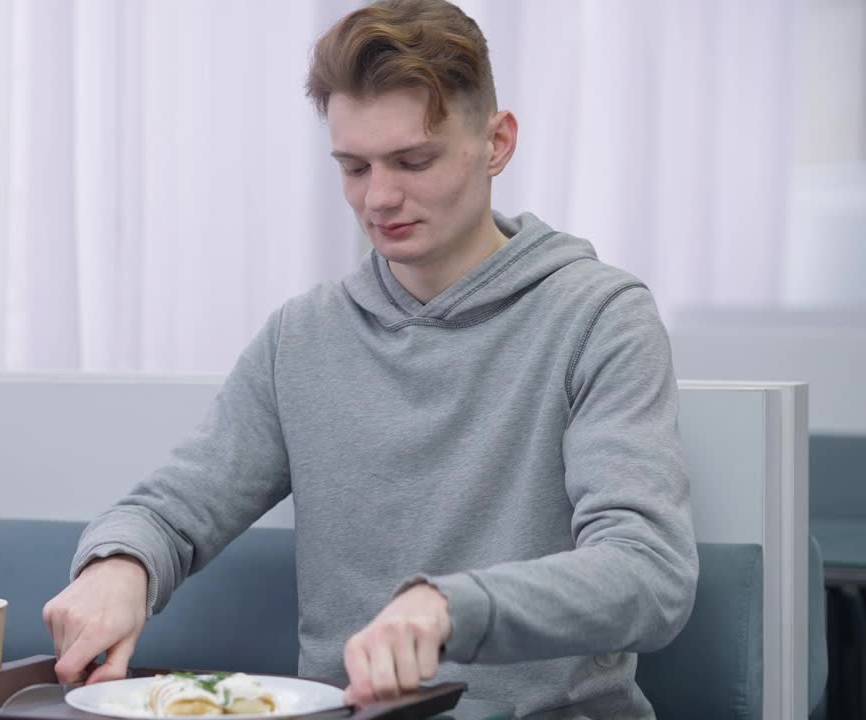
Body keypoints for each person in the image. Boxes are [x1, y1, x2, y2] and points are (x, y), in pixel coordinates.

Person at [43, 1, 698, 716]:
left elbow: (649, 573)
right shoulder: (303, 336)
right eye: (354, 167)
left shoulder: (600, 318)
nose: (379, 198)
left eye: (414, 160)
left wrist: (450, 606)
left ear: (497, 143)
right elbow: (171, 513)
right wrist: (121, 564)